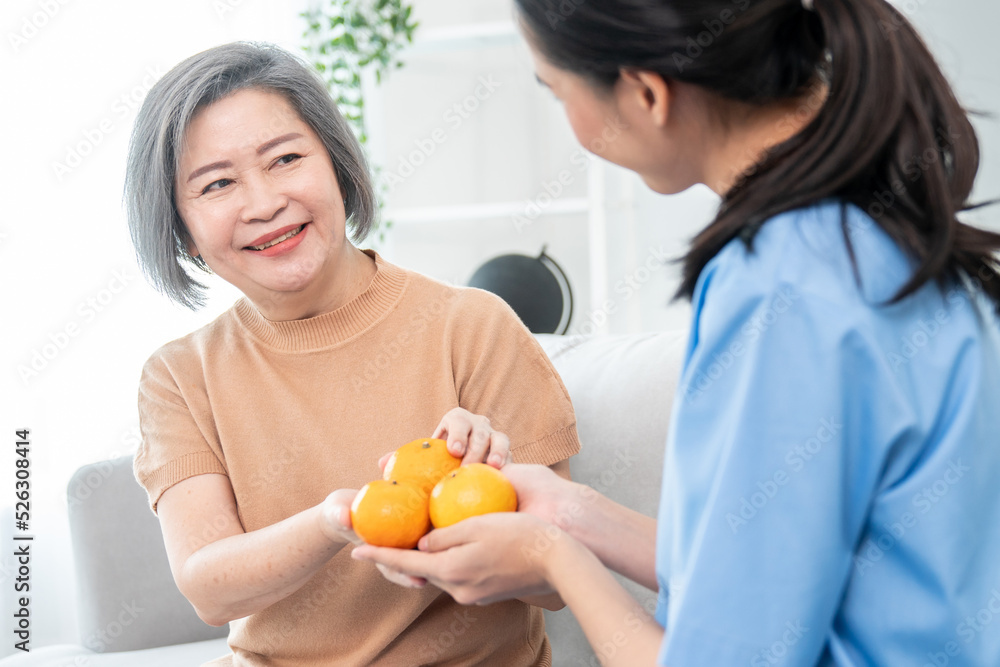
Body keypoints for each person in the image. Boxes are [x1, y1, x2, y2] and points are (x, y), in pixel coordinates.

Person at [351, 0, 1000, 664]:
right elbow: (771, 577)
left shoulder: (781, 286)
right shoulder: (873, 229)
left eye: (557, 91)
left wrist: (552, 557)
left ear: (645, 93)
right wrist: (569, 511)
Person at [124, 42, 582, 666]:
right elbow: (208, 586)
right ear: (184, 234)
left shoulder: (471, 326)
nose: (262, 204)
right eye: (218, 184)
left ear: (338, 167)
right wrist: (337, 520)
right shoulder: (178, 377)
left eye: (285, 158)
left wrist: (484, 490)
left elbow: (561, 581)